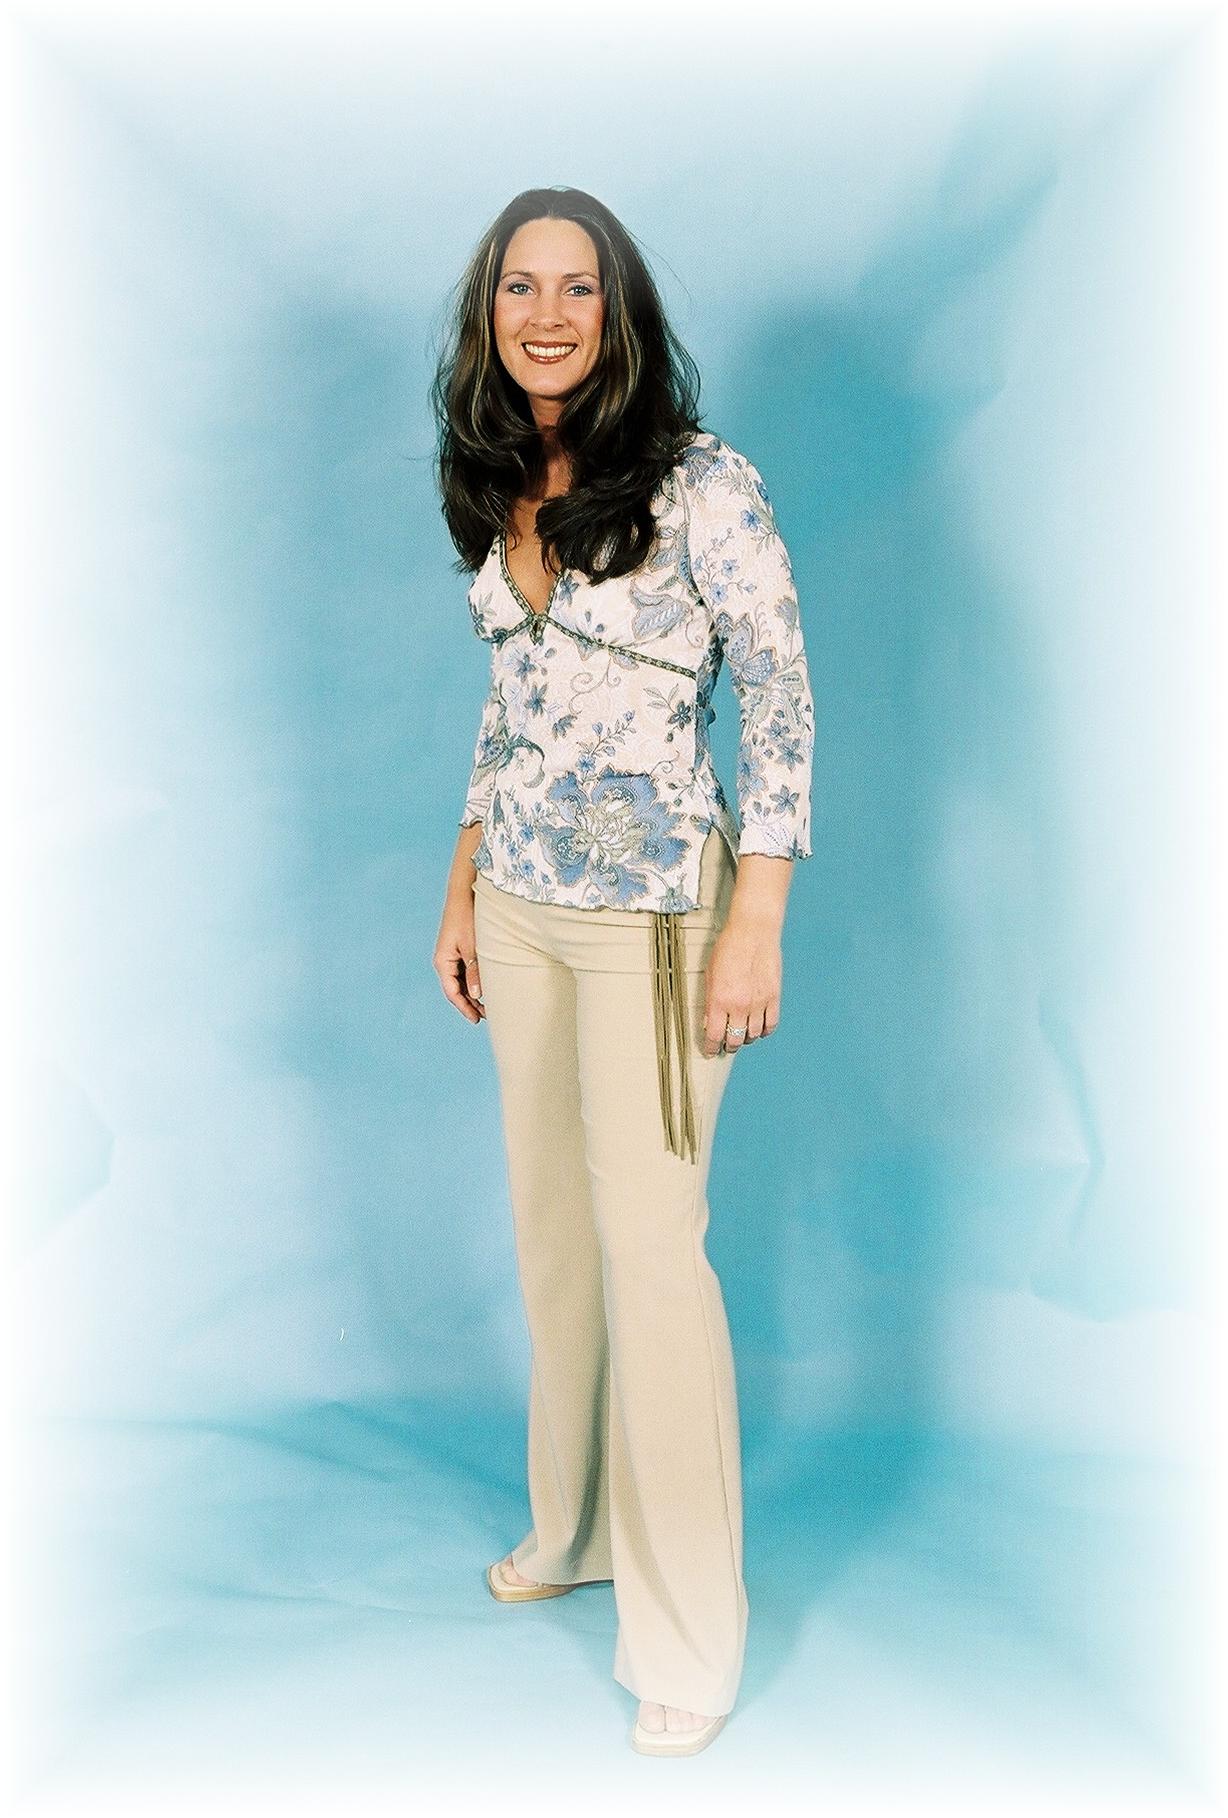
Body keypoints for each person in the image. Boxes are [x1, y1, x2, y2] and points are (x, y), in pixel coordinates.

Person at [431, 186, 815, 1756]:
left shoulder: (704, 483)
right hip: (520, 908)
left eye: (576, 287)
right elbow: (510, 704)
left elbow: (780, 696)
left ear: (619, 310)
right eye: (520, 287)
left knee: (655, 1257)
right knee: (556, 1239)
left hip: (659, 914)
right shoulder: (501, 475)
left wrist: (756, 915)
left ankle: (690, 1635)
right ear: (491, 314)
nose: (547, 313)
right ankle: (575, 1524)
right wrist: (461, 882)